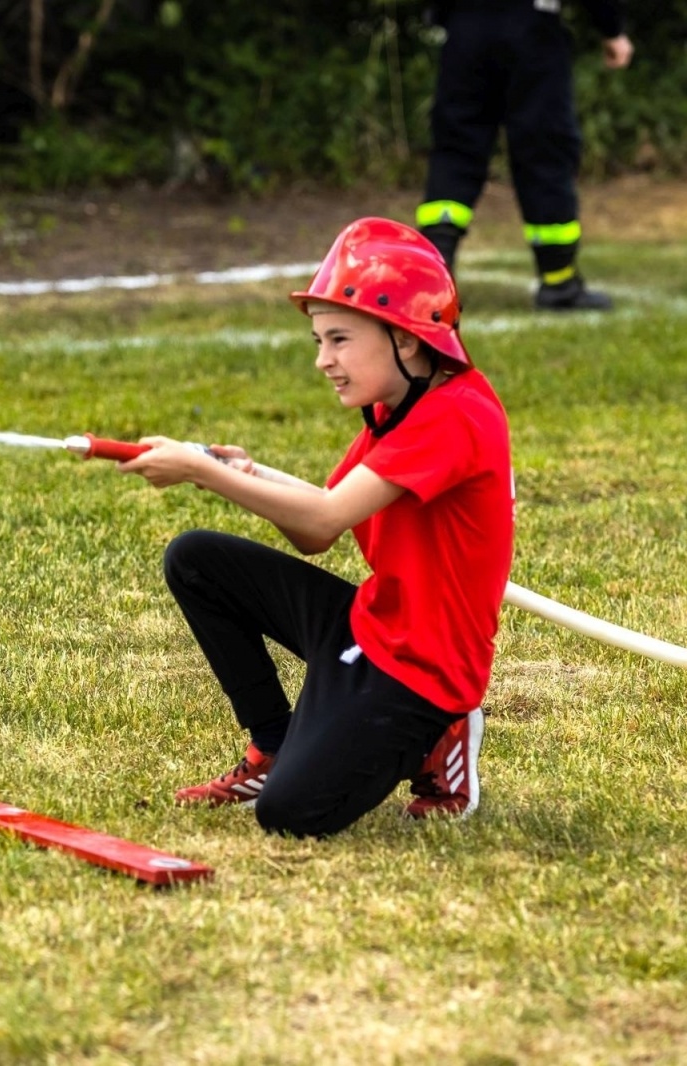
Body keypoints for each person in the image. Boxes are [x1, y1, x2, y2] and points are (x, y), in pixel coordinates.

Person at [112, 218, 515, 837]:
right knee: (196, 559)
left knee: (292, 815)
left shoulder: (455, 415)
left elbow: (323, 519)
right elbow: (325, 517)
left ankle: (440, 733)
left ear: (406, 341)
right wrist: (250, 472)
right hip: (371, 627)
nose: (323, 360)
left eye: (340, 339)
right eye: (319, 340)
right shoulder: (395, 410)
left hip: (422, 673)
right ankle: (272, 746)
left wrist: (199, 471)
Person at [417, 0, 634, 310]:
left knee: (456, 148)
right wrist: (611, 28)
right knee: (544, 152)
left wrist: (444, 15)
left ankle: (431, 280)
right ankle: (559, 282)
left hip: (466, 28)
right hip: (533, 29)